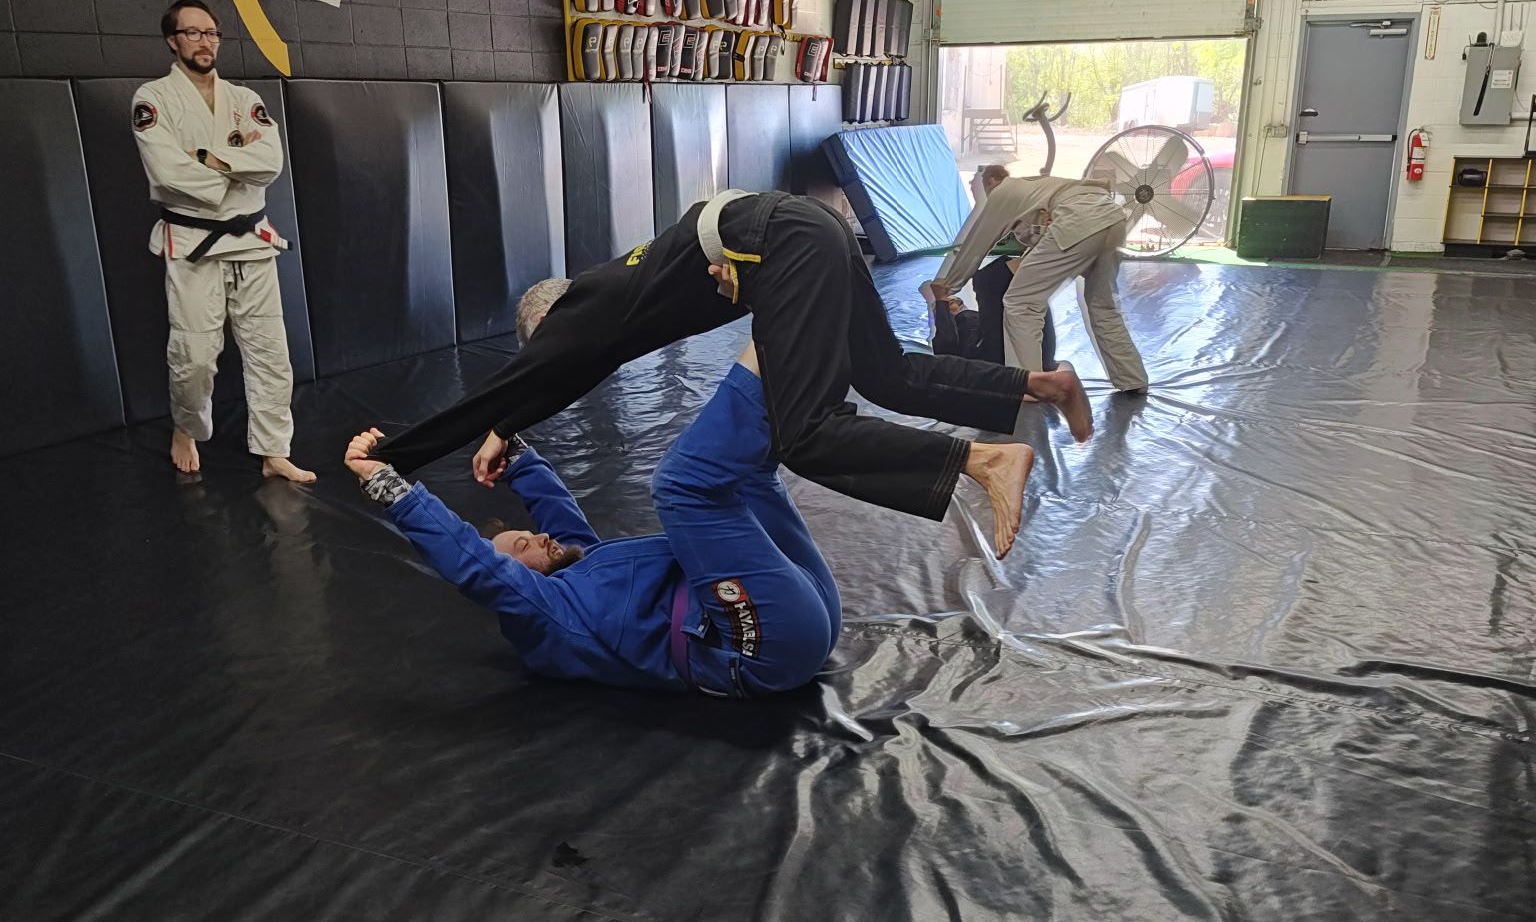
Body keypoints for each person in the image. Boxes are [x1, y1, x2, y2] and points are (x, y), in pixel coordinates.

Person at [377, 190, 1092, 560]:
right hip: (806, 230)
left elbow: (533, 375)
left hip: (786, 242)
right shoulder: (627, 288)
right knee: (886, 375)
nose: (562, 355)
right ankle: (1039, 385)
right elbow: (556, 379)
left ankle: (983, 458)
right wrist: (509, 427)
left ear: (551, 323)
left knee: (804, 431)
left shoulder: (581, 311)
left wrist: (393, 458)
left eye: (551, 343)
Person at [346, 343, 920, 697]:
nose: (537, 537)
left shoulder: (578, 564)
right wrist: (388, 485)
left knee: (747, 476)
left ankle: (802, 355)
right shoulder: (551, 616)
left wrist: (504, 440)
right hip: (759, 647)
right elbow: (476, 565)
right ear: (519, 582)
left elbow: (556, 513)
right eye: (522, 547)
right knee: (682, 486)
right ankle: (777, 337)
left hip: (809, 608)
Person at [131, 0, 313, 483]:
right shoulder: (153, 100)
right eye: (192, 33)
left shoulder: (243, 99)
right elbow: (168, 173)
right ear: (173, 40)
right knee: (193, 356)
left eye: (211, 33)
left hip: (253, 241)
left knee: (271, 352)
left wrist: (209, 159)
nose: (204, 42)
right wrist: (233, 170)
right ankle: (186, 429)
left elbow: (271, 161)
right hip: (194, 245)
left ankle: (274, 450)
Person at [928, 169, 1148, 394]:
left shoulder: (1004, 191)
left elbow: (978, 241)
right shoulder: (1036, 191)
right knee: (1103, 306)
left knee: (1019, 303)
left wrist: (950, 283)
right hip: (1113, 218)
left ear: (992, 181)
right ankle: (1132, 379)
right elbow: (1041, 240)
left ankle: (1030, 385)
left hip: (1079, 223)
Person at [923, 164, 1057, 372]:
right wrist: (940, 303)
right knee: (991, 279)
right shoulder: (964, 320)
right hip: (991, 355)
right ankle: (1039, 254)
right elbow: (945, 348)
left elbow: (982, 238)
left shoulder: (970, 316)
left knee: (995, 279)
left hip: (999, 348)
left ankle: (1037, 256)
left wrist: (942, 303)